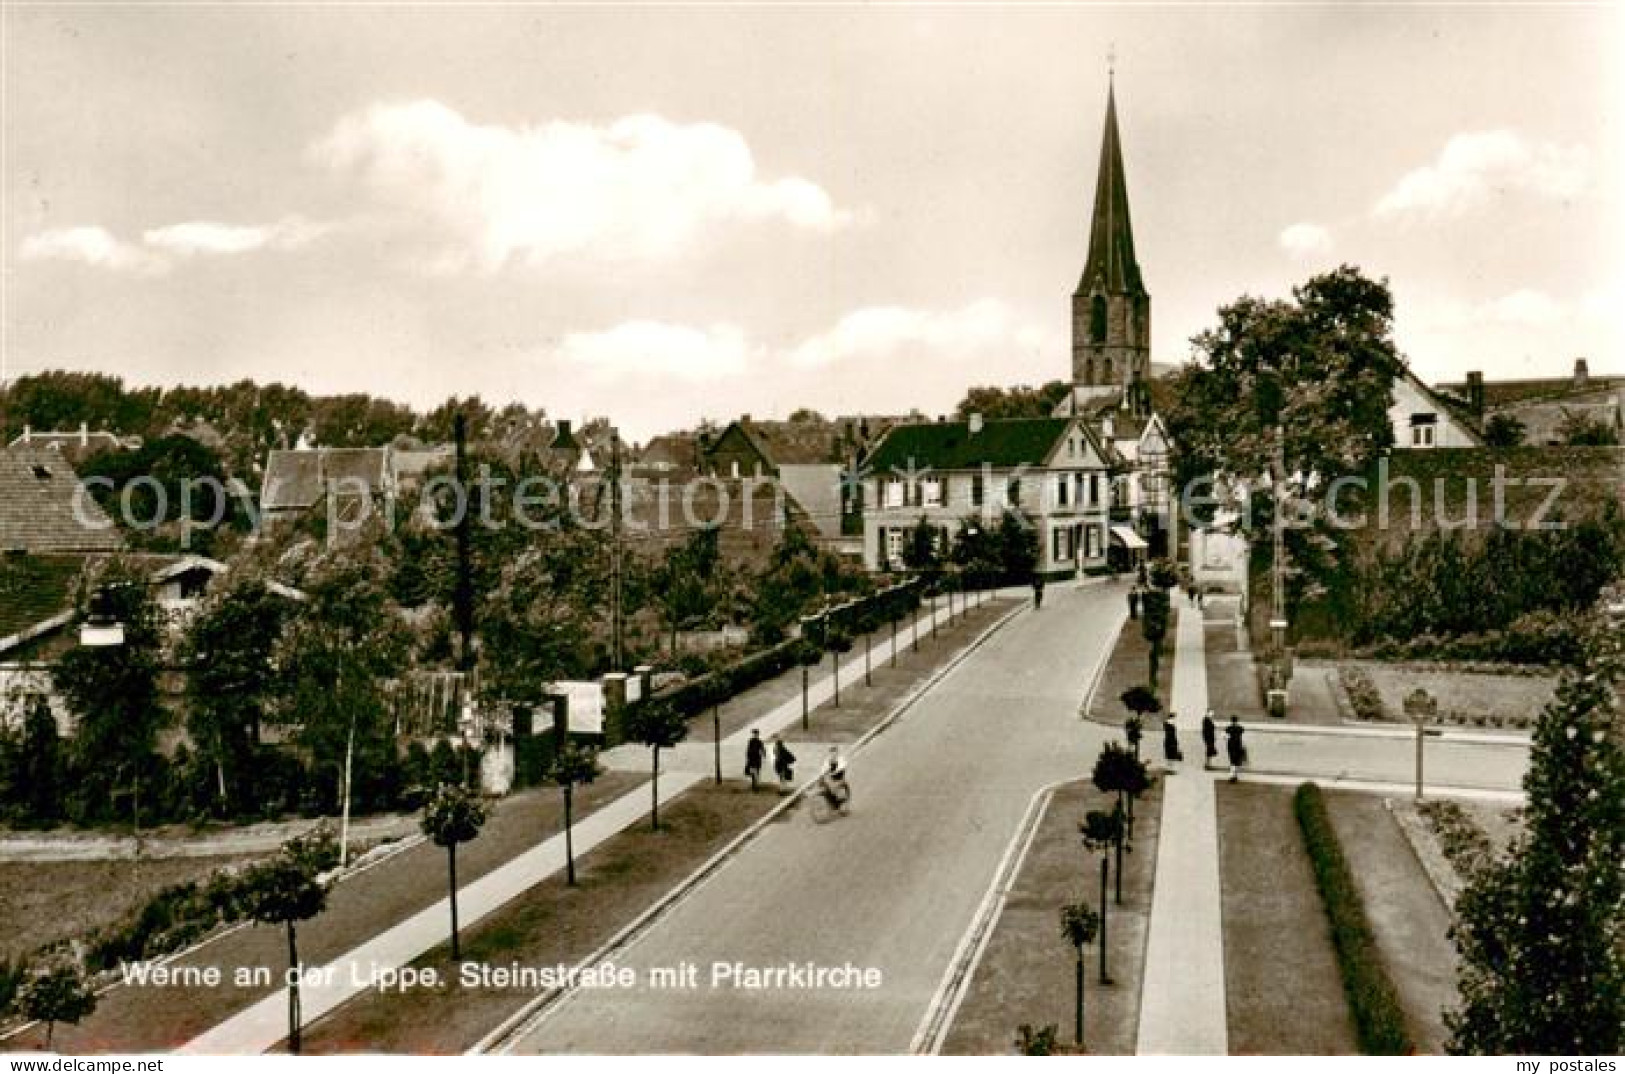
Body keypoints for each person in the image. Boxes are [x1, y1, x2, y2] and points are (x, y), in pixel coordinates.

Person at [820, 746, 851, 812]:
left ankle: (840, 802)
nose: (833, 755)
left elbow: (842, 766)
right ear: (829, 753)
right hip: (832, 778)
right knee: (825, 789)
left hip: (840, 778)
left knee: (834, 788)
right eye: (831, 753)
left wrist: (834, 772)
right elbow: (823, 769)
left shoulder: (841, 759)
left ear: (837, 753)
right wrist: (823, 773)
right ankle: (832, 804)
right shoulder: (828, 760)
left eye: (834, 753)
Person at [1226, 716, 1247, 782]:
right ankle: (1235, 775)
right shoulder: (1240, 728)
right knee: (1237, 761)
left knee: (1232, 761)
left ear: (1231, 721)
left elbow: (1226, 737)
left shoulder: (1228, 728)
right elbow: (1242, 736)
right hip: (1238, 746)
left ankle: (1232, 775)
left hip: (1231, 746)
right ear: (1237, 721)